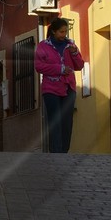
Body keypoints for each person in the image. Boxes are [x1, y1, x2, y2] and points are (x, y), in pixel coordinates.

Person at [35, 17, 84, 153]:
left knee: (67, 122)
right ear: (53, 32)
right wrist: (60, 69)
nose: (64, 35)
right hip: (51, 88)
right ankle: (56, 152)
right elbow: (39, 66)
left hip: (69, 88)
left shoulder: (70, 45)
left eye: (65, 32)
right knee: (55, 120)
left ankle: (64, 152)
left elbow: (79, 66)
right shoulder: (43, 46)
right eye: (61, 32)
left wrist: (75, 53)